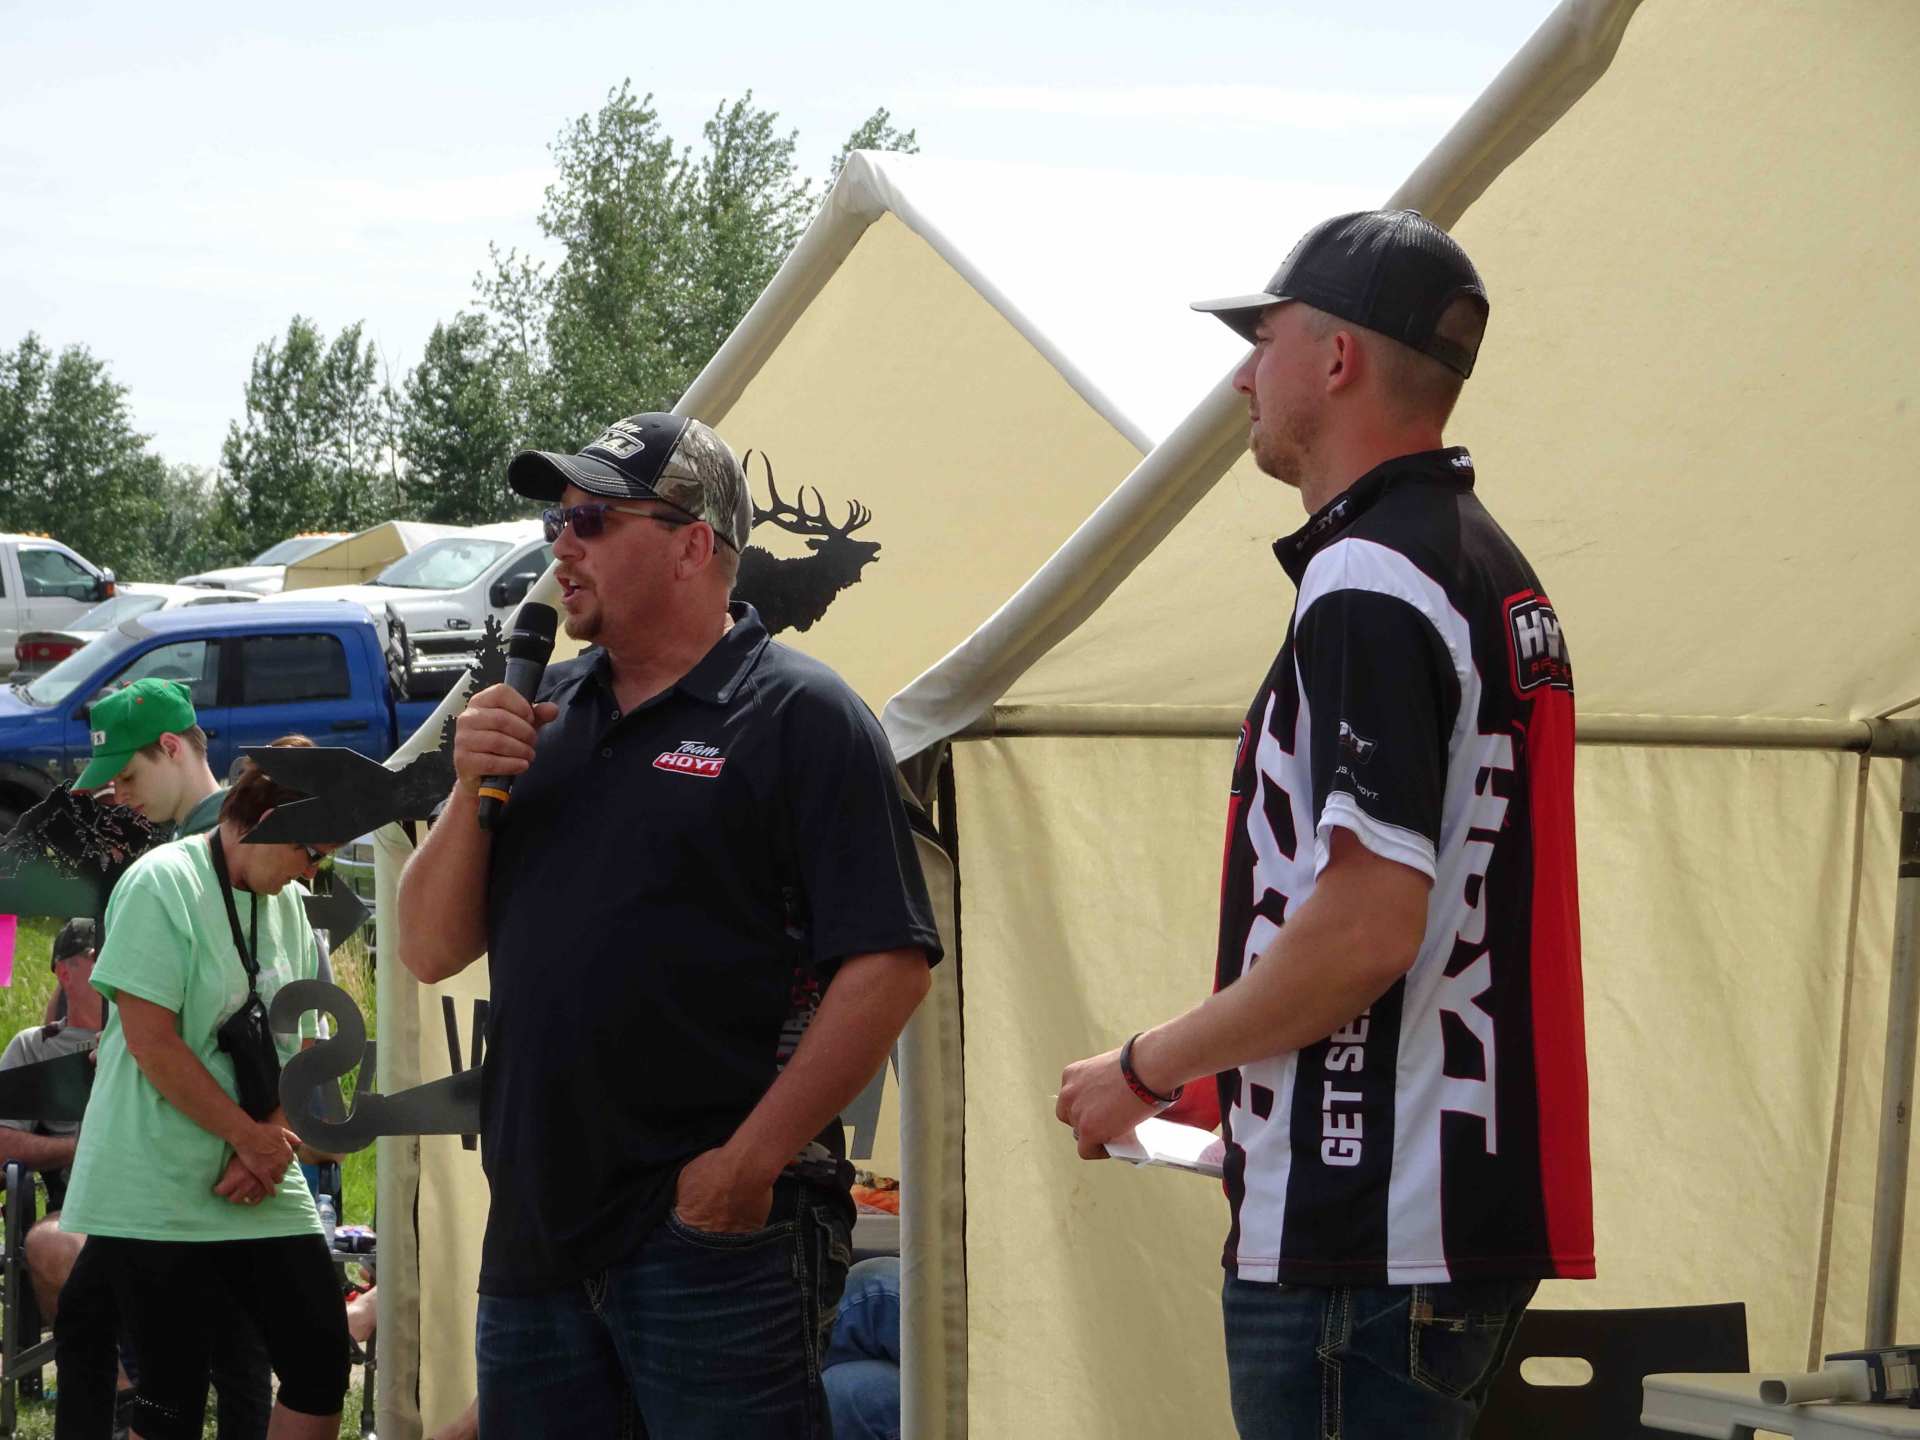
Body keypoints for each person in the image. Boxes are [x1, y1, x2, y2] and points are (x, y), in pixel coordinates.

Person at [1055, 210, 1593, 1439]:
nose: (1242, 377)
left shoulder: (1373, 576)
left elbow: (1365, 930)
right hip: (1434, 1216)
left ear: (1338, 357)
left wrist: (1147, 1065)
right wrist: (1230, 1078)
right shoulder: (1483, 566)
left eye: (1264, 340)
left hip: (1362, 1236)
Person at [397, 412, 942, 1439]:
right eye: (557, 519)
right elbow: (428, 949)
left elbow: (890, 964)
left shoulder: (801, 715)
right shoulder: (539, 713)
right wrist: (471, 784)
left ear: (694, 546)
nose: (561, 546)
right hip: (537, 1236)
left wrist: (744, 1169)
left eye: (593, 521)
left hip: (715, 1243)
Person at [53, 757, 350, 1440]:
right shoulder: (161, 882)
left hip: (257, 1178)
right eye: (311, 854)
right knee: (171, 1395)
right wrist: (249, 1138)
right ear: (269, 822)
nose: (312, 873)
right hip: (156, 1179)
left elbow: (304, 1047)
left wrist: (268, 1145)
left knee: (320, 1361)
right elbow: (151, 1042)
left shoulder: (287, 905)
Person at [0, 919, 103, 1319]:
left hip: (164, 1203)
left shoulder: (156, 1037)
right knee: (57, 1245)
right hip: (81, 1209)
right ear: (65, 972)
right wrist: (81, 1148)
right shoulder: (34, 1046)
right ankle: (95, 1359)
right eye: (98, 956)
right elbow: (2, 1143)